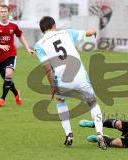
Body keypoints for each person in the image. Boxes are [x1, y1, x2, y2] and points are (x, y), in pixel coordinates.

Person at [33, 16, 106, 149]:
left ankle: (69, 134)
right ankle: (100, 134)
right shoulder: (67, 33)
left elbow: (47, 68)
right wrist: (93, 31)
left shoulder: (39, 45)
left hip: (61, 80)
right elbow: (87, 32)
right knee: (92, 102)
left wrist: (52, 87)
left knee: (60, 101)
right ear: (54, 25)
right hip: (80, 77)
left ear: (42, 30)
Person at [0, 4, 34, 107]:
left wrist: (28, 48)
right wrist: (0, 46)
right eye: (1, 12)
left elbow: (21, 36)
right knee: (6, 79)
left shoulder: (13, 25)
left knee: (8, 74)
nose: (3, 13)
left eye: (5, 11)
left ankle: (2, 99)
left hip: (11, 54)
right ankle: (16, 93)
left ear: (8, 13)